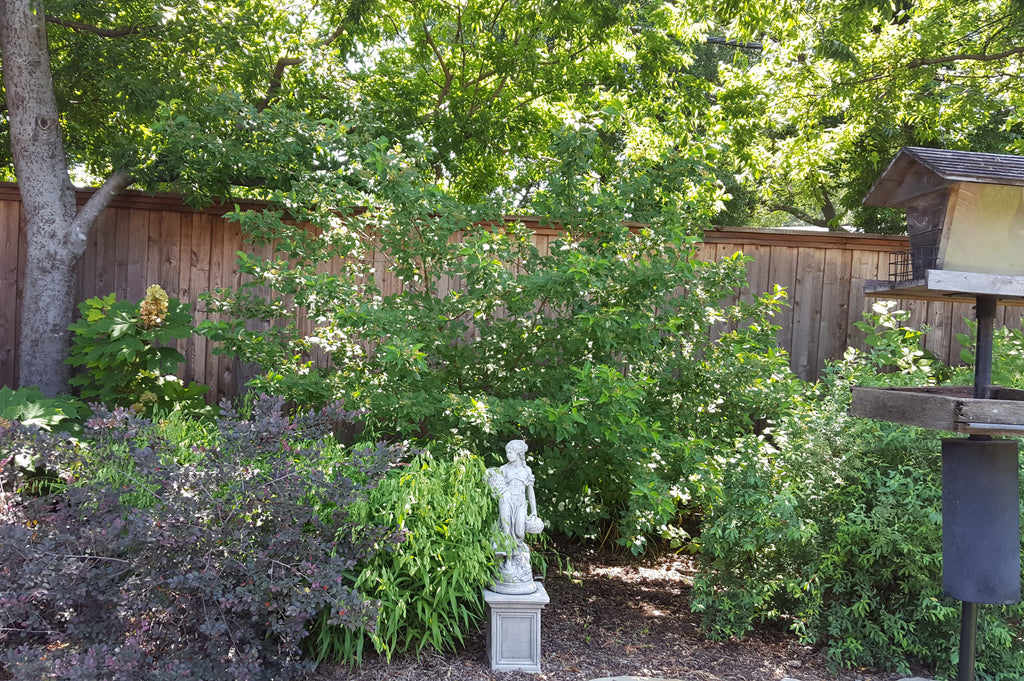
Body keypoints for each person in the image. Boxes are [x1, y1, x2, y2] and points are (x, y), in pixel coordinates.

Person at [486, 439, 543, 593]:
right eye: (507, 452)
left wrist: (534, 511)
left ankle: (519, 557)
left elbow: (530, 492)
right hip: (506, 502)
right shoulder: (504, 469)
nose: (508, 455)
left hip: (520, 503)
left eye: (510, 452)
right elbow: (494, 487)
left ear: (518, 453)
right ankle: (508, 561)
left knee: (519, 532)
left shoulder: (527, 471)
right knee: (506, 529)